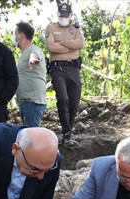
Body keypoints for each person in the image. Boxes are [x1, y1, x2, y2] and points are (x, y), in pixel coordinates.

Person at [45, 2, 85, 148]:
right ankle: (67, 132)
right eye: (60, 15)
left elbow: (80, 44)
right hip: (58, 69)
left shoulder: (75, 27)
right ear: (58, 14)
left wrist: (62, 41)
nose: (63, 18)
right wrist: (70, 45)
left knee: (74, 100)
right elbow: (51, 47)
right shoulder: (51, 27)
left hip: (74, 68)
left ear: (70, 15)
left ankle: (69, 128)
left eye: (65, 15)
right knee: (63, 98)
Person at [13, 21, 47, 127]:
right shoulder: (23, 54)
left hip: (32, 101)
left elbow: (35, 55)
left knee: (32, 135)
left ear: (21, 36)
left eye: (15, 33)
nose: (14, 36)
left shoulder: (33, 49)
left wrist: (33, 59)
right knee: (29, 133)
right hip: (26, 101)